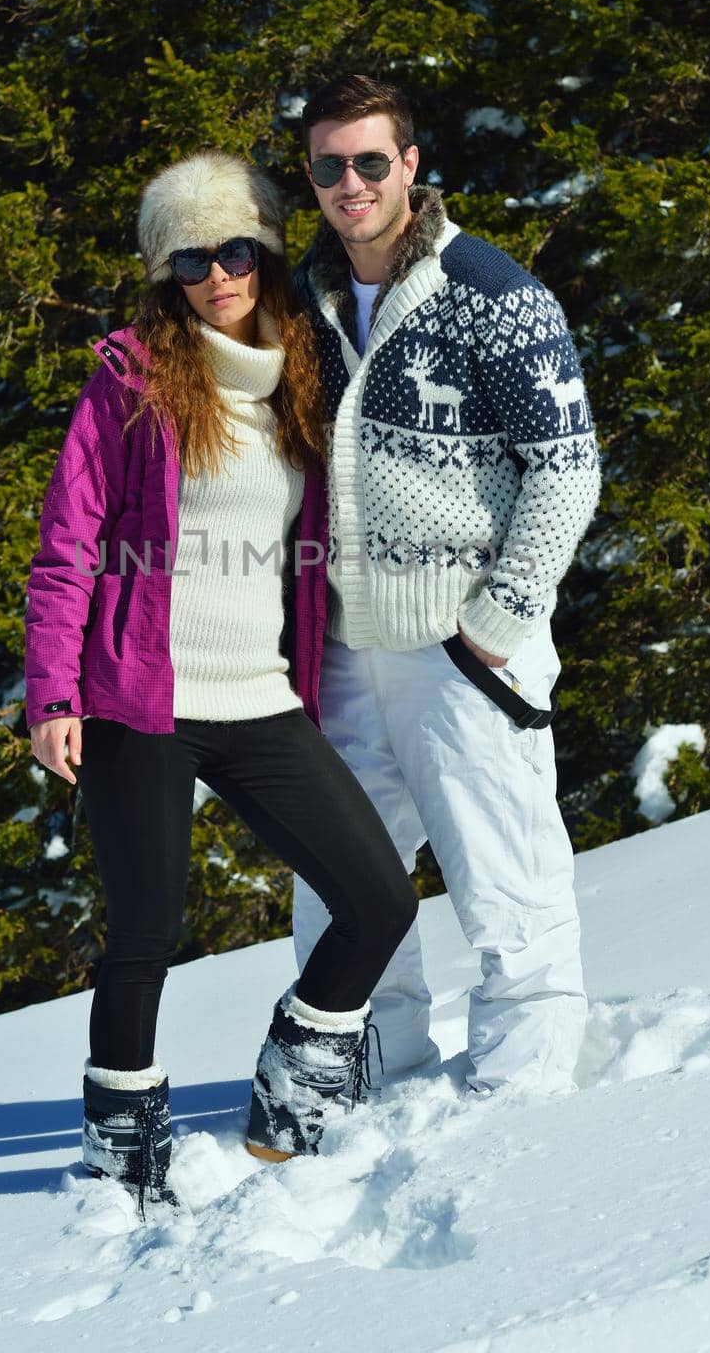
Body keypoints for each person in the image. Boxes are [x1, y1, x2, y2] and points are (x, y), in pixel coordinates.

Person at [24, 150, 416, 1217]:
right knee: (146, 928)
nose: (218, 273)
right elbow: (69, 545)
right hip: (139, 702)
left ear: (267, 253)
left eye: (235, 248)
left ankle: (294, 1071)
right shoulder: (131, 381)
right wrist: (52, 695)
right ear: (168, 274)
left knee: (376, 898)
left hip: (261, 699)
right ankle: (120, 1149)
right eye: (191, 258)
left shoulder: (303, 373)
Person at [290, 75, 601, 1098]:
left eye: (370, 161)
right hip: (346, 645)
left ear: (410, 166)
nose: (351, 183)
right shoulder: (306, 297)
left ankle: (523, 1094)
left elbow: (566, 465)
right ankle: (373, 1075)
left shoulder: (490, 291)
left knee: (502, 868)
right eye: (330, 164)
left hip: (464, 645)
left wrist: (504, 614)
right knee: (338, 884)